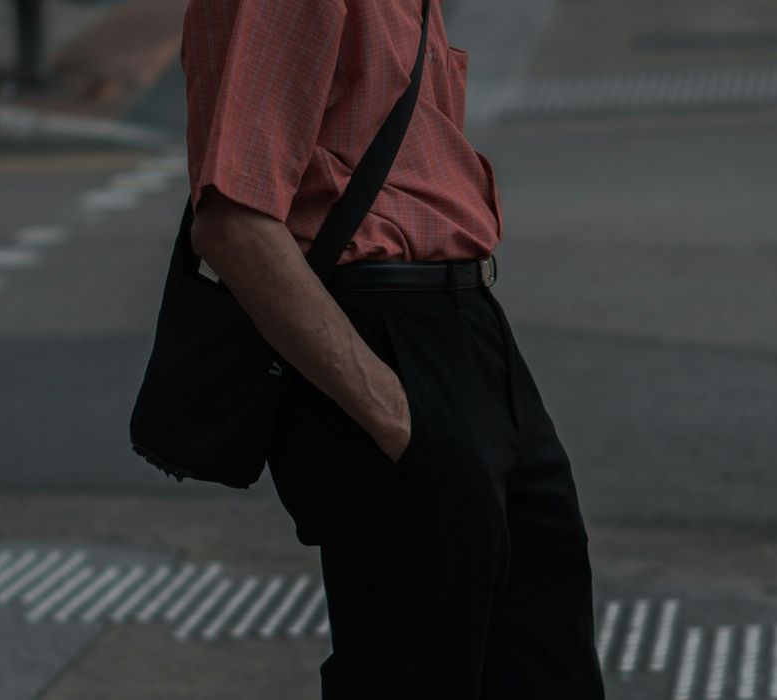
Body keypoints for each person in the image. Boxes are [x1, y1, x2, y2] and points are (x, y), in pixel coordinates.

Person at [180, 0, 605, 697]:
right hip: (383, 336)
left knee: (540, 653)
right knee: (417, 668)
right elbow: (234, 225)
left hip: (466, 328)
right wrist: (398, 418)